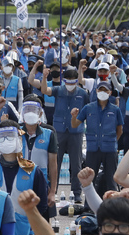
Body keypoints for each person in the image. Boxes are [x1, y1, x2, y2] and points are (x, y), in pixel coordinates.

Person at [39, 68, 88, 202]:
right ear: (63, 80)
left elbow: (87, 111)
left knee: (76, 163)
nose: (70, 85)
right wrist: (44, 77)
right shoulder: (58, 90)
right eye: (67, 82)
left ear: (77, 81)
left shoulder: (83, 94)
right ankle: (52, 190)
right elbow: (45, 91)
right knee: (55, 162)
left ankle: (77, 192)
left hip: (76, 131)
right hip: (59, 130)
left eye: (73, 82)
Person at [71, 81, 123, 195]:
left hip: (110, 149)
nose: (103, 92)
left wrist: (113, 141)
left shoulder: (115, 109)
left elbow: (119, 130)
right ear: (96, 91)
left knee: (111, 179)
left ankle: (113, 205)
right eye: (100, 90)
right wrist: (73, 117)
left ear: (110, 93)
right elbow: (75, 125)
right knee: (90, 179)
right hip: (93, 148)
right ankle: (88, 205)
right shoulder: (88, 108)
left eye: (105, 90)